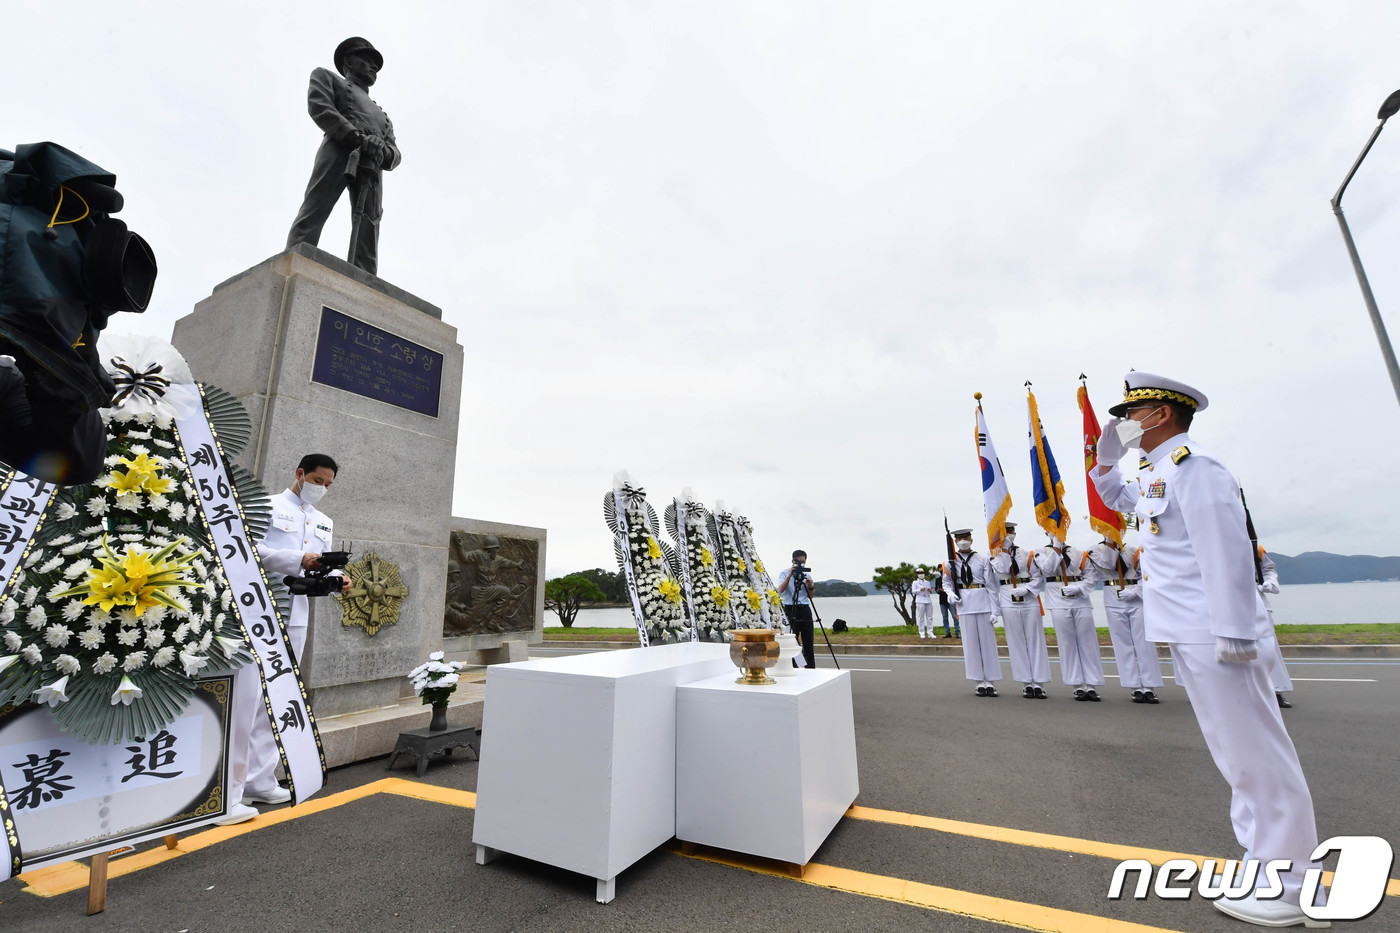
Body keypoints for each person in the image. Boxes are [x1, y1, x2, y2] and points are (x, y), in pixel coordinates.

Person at [1094, 372, 1323, 927]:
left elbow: (1225, 551)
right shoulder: (1156, 471)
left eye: (1133, 411)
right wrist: (1105, 461)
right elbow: (1118, 499)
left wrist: (1236, 630)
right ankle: (1262, 861)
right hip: (1186, 628)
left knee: (1258, 756)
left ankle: (1292, 885)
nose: (1124, 422)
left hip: (1216, 633)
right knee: (1236, 759)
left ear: (1163, 414)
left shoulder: (1198, 467)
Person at [221, 453, 349, 824]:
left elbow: (325, 560)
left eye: (328, 485)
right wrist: (297, 559)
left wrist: (338, 576)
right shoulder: (266, 506)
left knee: (276, 698)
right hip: (257, 611)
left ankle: (260, 779)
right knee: (245, 700)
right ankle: (226, 795)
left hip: (296, 616)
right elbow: (248, 548)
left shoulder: (324, 520)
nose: (322, 489)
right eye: (318, 481)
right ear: (300, 474)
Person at [286, 37, 401, 274]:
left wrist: (383, 151)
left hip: (372, 165)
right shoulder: (327, 77)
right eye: (367, 61)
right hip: (340, 150)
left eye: (376, 66)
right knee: (314, 209)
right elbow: (320, 108)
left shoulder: (383, 116)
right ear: (348, 61)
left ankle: (365, 281)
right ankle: (292, 263)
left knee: (369, 229)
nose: (373, 69)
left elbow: (395, 153)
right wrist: (357, 137)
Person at [1087, 529, 1163, 704]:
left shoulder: (1134, 550)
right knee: (1123, 644)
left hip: (1135, 599)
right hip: (1113, 598)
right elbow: (1109, 564)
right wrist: (1110, 544)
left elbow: (1147, 575)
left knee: (1144, 643)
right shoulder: (1095, 551)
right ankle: (1134, 686)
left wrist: (1136, 591)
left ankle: (1149, 686)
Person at [1030, 535, 1105, 701]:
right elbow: (1048, 569)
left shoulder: (1079, 553)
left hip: (1080, 599)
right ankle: (1077, 685)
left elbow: (1091, 576)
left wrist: (1080, 587)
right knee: (1067, 643)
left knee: (1088, 642)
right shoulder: (1040, 553)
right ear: (1046, 533)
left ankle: (1092, 685)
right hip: (1058, 600)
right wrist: (1056, 547)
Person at [991, 522, 1050, 698]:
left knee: (1036, 640)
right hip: (1008, 599)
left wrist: (1028, 589)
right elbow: (1002, 570)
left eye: (1011, 532)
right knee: (1016, 642)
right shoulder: (994, 555)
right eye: (1005, 532)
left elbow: (1038, 577)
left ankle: (1038, 683)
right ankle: (1026, 682)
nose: (1009, 535)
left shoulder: (1027, 554)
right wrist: (1004, 551)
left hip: (1029, 598)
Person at [942, 529, 1002, 696]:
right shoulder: (949, 562)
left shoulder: (982, 559)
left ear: (971, 539)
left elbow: (991, 585)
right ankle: (978, 682)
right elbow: (946, 583)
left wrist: (995, 610)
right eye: (959, 538)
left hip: (982, 602)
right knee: (971, 645)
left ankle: (990, 681)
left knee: (988, 645)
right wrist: (950, 594)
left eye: (965, 537)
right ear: (955, 541)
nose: (963, 541)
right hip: (964, 604)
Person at [1256, 544, 1294, 709]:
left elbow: (1269, 569)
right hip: (1223, 603)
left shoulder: (1254, 546)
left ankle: (1275, 691)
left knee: (1268, 648)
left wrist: (1269, 582)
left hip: (1256, 601)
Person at [776, 550, 815, 668]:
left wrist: (810, 586)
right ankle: (798, 667)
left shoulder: (807, 575)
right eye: (798, 562)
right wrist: (789, 576)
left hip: (804, 609)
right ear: (792, 561)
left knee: (808, 641)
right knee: (793, 642)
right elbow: (781, 590)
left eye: (803, 562)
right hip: (790, 609)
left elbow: (811, 596)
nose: (800, 565)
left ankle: (810, 668)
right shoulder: (784, 573)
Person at [934, 569, 960, 638]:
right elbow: (936, 590)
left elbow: (953, 589)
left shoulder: (950, 579)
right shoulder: (938, 580)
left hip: (950, 601)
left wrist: (946, 590)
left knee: (955, 617)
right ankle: (947, 632)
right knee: (945, 618)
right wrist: (939, 590)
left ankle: (957, 632)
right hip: (942, 601)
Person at [911, 568, 936, 638]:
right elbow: (913, 591)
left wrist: (930, 590)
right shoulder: (915, 582)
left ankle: (930, 632)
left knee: (930, 617)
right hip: (920, 600)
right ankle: (922, 632)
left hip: (928, 600)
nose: (921, 574)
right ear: (917, 574)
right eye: (919, 573)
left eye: (922, 573)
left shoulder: (927, 582)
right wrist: (920, 590)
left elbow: (929, 592)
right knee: (921, 617)